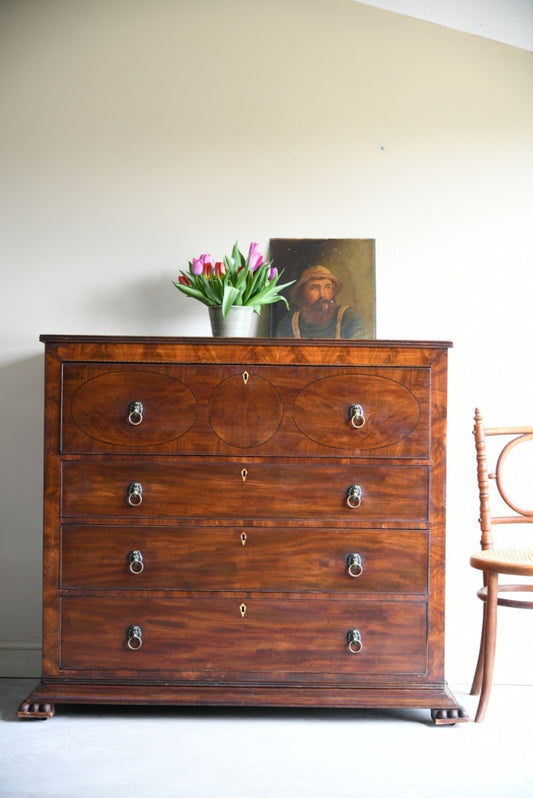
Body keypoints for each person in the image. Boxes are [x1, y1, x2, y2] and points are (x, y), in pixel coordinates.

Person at [274, 265, 365, 339]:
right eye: (315, 288)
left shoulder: (348, 317)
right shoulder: (290, 323)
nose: (323, 295)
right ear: (303, 293)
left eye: (327, 287)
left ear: (333, 291)